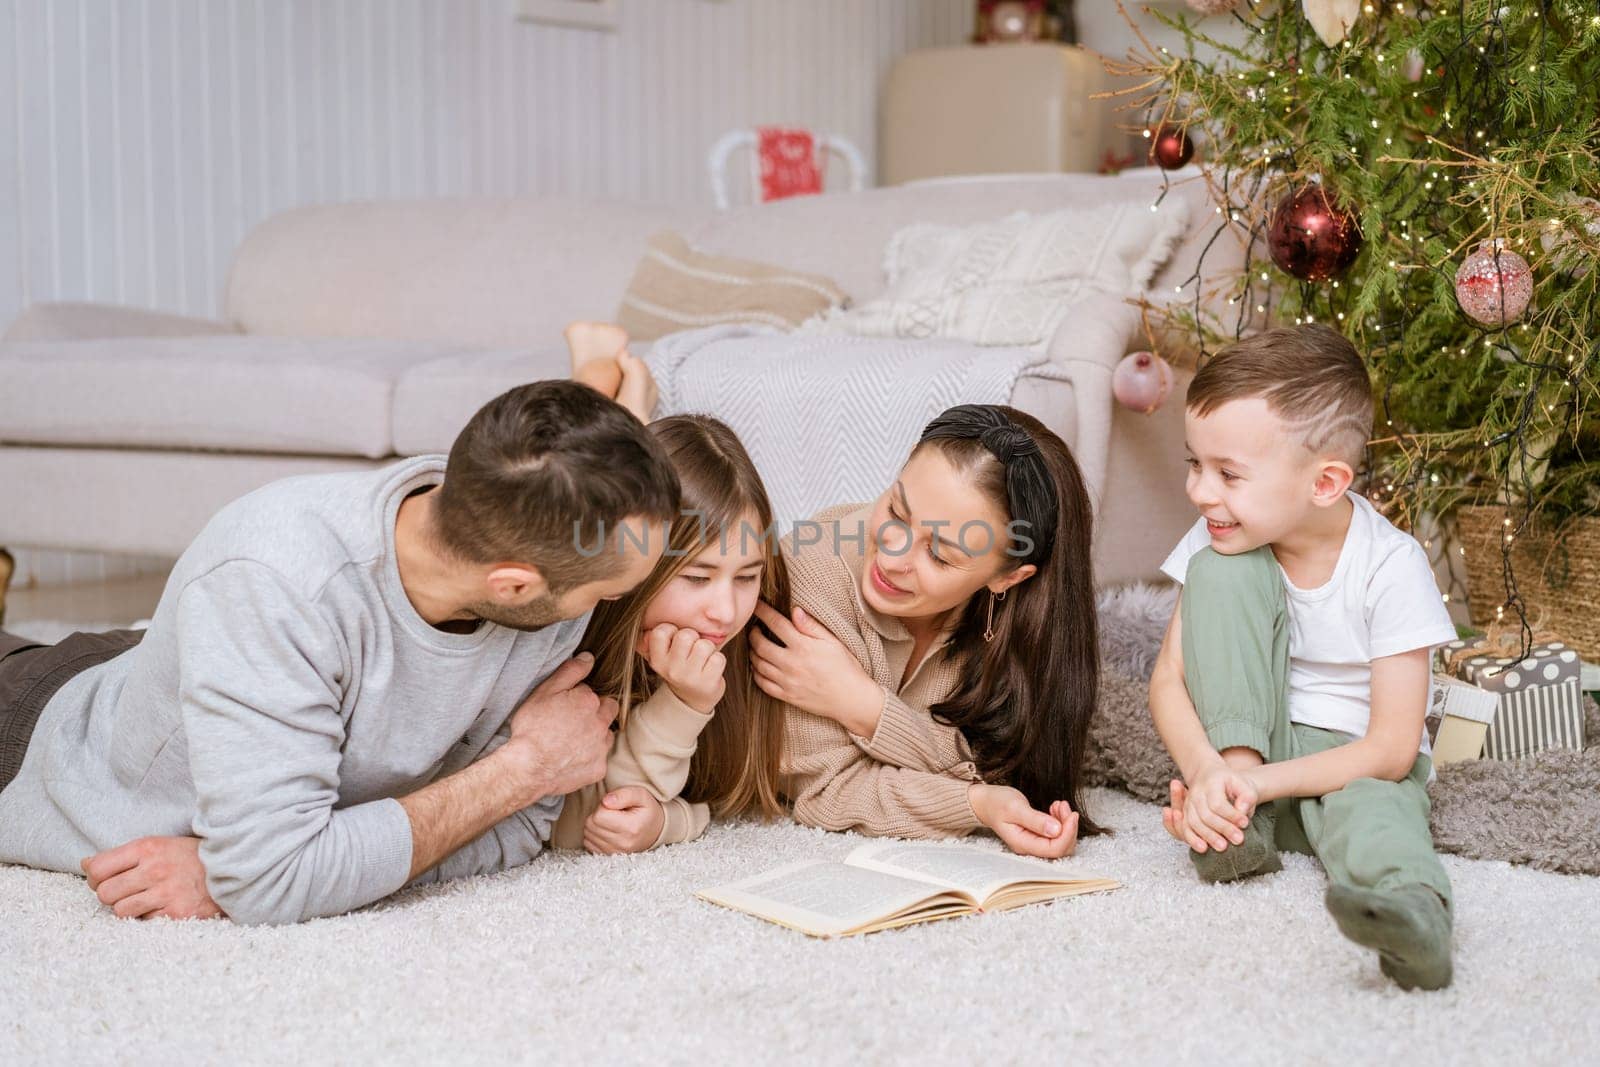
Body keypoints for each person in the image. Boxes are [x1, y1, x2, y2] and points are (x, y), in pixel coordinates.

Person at [0, 381, 681, 925]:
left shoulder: (533, 540)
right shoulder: (276, 576)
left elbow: (519, 831)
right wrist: (522, 769)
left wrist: (303, 867)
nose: (615, 604)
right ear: (513, 584)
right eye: (610, 590)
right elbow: (273, 881)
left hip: (209, 659)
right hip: (40, 723)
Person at [1148, 324, 1458, 990]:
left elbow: (1393, 748)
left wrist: (1258, 787)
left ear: (1324, 483)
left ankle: (1415, 916)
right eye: (1194, 464)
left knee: (1378, 817)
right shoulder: (1217, 537)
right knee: (1221, 570)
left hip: (1352, 762)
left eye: (1228, 473)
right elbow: (1168, 680)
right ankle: (1238, 830)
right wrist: (1211, 773)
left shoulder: (1391, 564)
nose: (1201, 492)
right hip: (1252, 753)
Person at [751, 404, 1103, 859]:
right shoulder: (809, 583)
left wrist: (863, 706)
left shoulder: (1010, 625)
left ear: (1007, 579)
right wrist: (973, 804)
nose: (893, 557)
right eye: (897, 511)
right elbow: (831, 791)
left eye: (940, 556)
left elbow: (998, 764)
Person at [549, 414, 790, 853]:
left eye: (746, 577)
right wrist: (682, 706)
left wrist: (672, 820)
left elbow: (716, 801)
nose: (725, 612)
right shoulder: (564, 643)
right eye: (698, 578)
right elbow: (570, 820)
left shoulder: (761, 645)